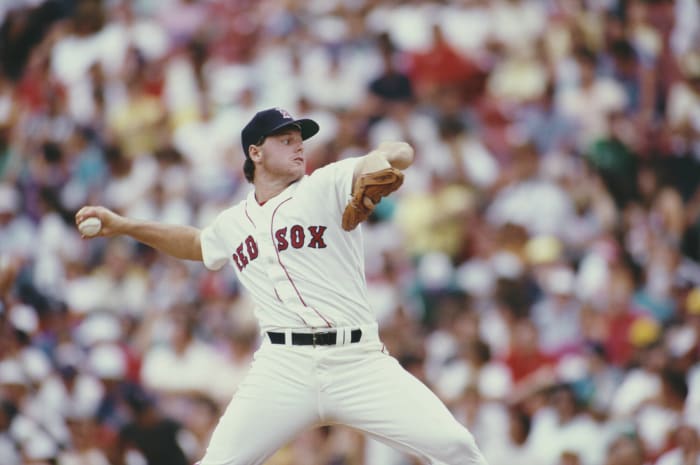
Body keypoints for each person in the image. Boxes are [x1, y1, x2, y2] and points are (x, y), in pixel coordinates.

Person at [75, 107, 489, 465]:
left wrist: (379, 163)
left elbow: (401, 152)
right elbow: (197, 243)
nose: (299, 146)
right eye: (286, 139)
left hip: (357, 361)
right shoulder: (233, 222)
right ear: (255, 153)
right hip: (283, 367)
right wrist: (124, 225)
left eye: (300, 139)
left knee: (455, 446)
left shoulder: (324, 185)